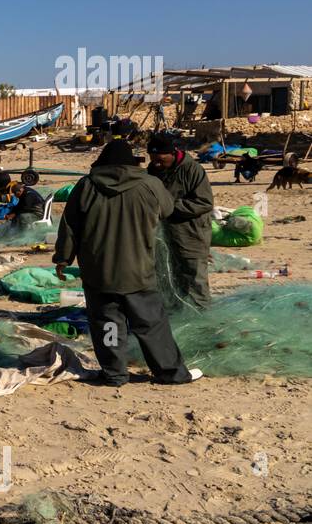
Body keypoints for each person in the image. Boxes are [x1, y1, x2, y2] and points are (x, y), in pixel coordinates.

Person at [53, 140, 200, 387]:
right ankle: (170, 372)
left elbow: (69, 226)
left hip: (99, 272)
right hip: (138, 270)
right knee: (151, 325)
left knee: (107, 324)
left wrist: (63, 258)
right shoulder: (150, 184)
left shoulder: (86, 186)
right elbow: (167, 209)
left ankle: (115, 373)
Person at [146, 131, 214, 310]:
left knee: (194, 279)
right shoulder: (153, 170)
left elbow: (204, 202)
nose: (156, 162)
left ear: (172, 153)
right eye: (152, 157)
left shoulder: (192, 170)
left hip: (191, 234)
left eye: (160, 158)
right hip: (164, 235)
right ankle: (174, 315)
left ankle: (201, 318)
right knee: (168, 277)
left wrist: (169, 207)